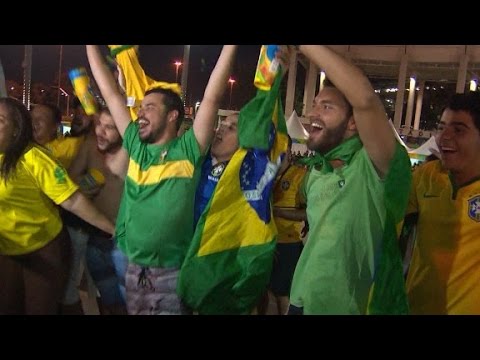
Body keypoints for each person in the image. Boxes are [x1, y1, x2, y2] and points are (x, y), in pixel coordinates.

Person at [86, 44, 237, 315]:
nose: (140, 113)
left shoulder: (189, 151)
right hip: (132, 268)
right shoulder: (136, 146)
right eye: (141, 107)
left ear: (172, 116)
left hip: (172, 275)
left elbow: (213, 96)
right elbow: (109, 90)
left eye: (150, 108)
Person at [288, 45, 412, 315]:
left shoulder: (374, 166)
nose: (312, 114)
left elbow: (365, 98)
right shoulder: (316, 173)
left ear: (353, 123)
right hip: (301, 301)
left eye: (327, 107)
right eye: (314, 105)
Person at [177, 45, 291, 315]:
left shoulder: (249, 175)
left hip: (221, 272)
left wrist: (272, 79)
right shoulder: (197, 159)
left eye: (231, 128)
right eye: (221, 124)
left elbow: (269, 140)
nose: (219, 130)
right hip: (182, 263)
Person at [0, 97, 114, 314]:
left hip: (42, 250)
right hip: (6, 251)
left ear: (15, 130)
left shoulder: (34, 158)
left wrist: (114, 230)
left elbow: (73, 200)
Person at [405, 92, 480, 314]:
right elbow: (390, 223)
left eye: (458, 130)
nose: (443, 137)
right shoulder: (425, 176)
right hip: (415, 308)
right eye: (441, 127)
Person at [68, 106, 129, 315]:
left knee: (128, 302)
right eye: (99, 124)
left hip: (125, 242)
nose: (100, 131)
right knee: (105, 298)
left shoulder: (136, 155)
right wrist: (85, 184)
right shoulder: (90, 147)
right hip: (94, 238)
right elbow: (69, 184)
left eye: (109, 128)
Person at [267, 135, 307, 315]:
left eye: (283, 147)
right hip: (265, 242)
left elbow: (309, 213)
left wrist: (278, 212)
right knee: (265, 293)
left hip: (287, 244)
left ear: (290, 150)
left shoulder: (300, 176)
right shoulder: (266, 174)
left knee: (282, 294)